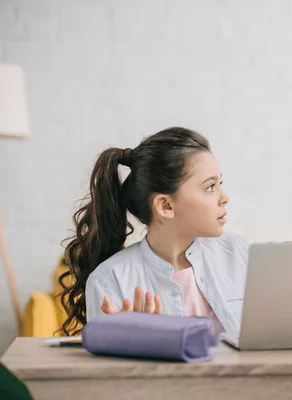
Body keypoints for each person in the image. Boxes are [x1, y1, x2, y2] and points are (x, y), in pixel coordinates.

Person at [59, 127, 247, 336]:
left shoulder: (239, 253)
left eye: (220, 183)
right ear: (165, 206)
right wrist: (138, 343)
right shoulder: (110, 280)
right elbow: (108, 368)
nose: (224, 197)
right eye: (210, 187)